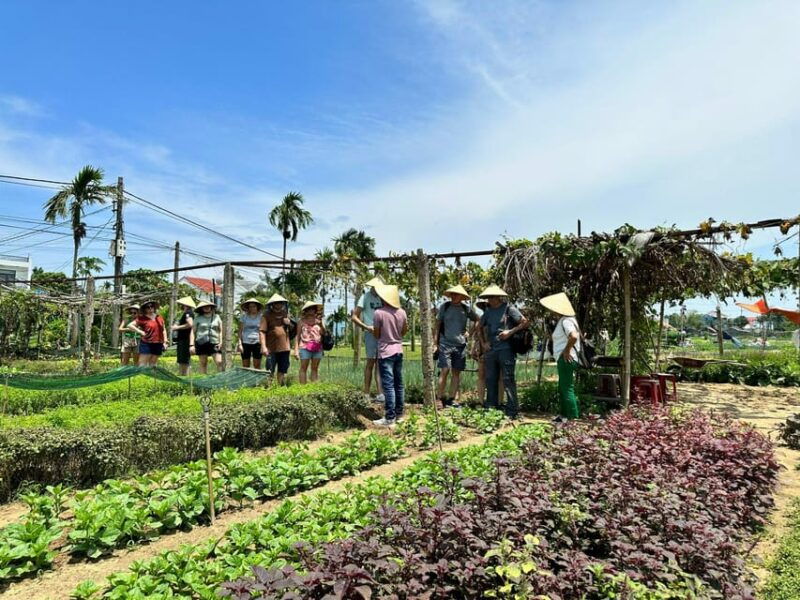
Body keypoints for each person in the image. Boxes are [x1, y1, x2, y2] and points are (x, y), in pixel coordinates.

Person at [477, 285, 529, 419]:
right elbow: (479, 327)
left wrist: (509, 332)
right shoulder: (487, 312)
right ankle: (491, 408)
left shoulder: (509, 309)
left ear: (498, 297)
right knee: (490, 379)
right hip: (491, 350)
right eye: (488, 297)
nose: (490, 300)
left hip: (506, 349)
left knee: (508, 379)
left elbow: (524, 322)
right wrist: (484, 343)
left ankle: (512, 410)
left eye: (492, 297)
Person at [435, 285, 479, 406]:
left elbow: (478, 319)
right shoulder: (445, 306)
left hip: (460, 345)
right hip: (445, 343)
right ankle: (439, 398)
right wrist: (435, 343)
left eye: (457, 294)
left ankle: (451, 399)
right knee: (444, 370)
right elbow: (437, 324)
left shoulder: (466, 309)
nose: (454, 296)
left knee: (456, 372)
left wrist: (470, 332)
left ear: (462, 297)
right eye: (452, 294)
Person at [540, 292, 581, 421]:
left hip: (567, 359)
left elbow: (574, 336)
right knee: (563, 387)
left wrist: (567, 350)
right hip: (565, 358)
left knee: (567, 388)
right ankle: (564, 416)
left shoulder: (566, 321)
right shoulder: (565, 320)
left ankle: (573, 418)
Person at [372, 284, 408, 427]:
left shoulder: (379, 313)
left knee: (388, 385)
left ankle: (389, 418)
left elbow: (376, 333)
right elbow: (404, 330)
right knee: (399, 384)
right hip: (398, 349)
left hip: (385, 351)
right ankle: (399, 415)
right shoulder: (402, 312)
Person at [352, 276, 385, 402]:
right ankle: (366, 392)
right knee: (370, 362)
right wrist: (366, 327)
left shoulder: (383, 297)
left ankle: (380, 393)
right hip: (370, 333)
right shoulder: (365, 297)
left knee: (380, 363)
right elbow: (354, 316)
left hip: (383, 333)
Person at [260, 293, 293, 385]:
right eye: (277, 303)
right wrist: (263, 347)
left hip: (285, 347)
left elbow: (292, 330)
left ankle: (280, 387)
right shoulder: (266, 316)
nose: (279, 304)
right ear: (272, 304)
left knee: (282, 369)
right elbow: (262, 331)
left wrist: (288, 323)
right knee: (270, 369)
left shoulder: (286, 314)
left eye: (281, 303)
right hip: (271, 348)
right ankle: (269, 387)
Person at [130, 300, 168, 367]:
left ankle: (152, 376)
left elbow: (163, 329)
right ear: (145, 309)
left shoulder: (159, 317)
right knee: (142, 364)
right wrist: (140, 331)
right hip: (146, 343)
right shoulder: (142, 318)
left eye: (152, 306)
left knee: (153, 363)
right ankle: (141, 376)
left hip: (158, 343)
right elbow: (130, 325)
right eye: (148, 307)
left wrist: (165, 342)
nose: (150, 308)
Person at [295, 301, 325, 384]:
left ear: (315, 310)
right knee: (303, 367)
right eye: (309, 309)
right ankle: (303, 388)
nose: (311, 311)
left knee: (315, 368)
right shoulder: (301, 322)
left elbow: (323, 333)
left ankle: (313, 387)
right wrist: (296, 350)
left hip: (317, 347)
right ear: (306, 310)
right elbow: (297, 336)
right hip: (304, 346)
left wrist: (321, 324)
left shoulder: (319, 321)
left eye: (313, 309)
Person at [192, 301, 223, 374]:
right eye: (204, 306)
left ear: (211, 307)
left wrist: (221, 342)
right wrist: (192, 345)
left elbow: (221, 330)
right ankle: (203, 380)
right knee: (203, 363)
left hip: (214, 342)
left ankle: (221, 380)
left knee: (219, 362)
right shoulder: (198, 318)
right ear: (201, 308)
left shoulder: (217, 317)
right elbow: (193, 332)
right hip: (201, 342)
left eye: (208, 306)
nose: (206, 307)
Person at [171, 296, 196, 375]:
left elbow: (190, 324)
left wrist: (177, 327)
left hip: (185, 340)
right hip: (182, 340)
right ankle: (182, 375)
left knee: (184, 360)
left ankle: (185, 376)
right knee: (181, 360)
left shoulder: (188, 313)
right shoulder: (186, 313)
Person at [237, 298, 264, 369]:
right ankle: (246, 380)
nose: (252, 308)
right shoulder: (244, 317)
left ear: (257, 307)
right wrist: (239, 344)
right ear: (248, 308)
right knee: (245, 365)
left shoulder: (261, 317)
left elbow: (263, 331)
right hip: (245, 342)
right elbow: (240, 331)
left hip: (257, 342)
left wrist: (263, 344)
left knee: (257, 365)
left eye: (254, 306)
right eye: (250, 306)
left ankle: (257, 379)